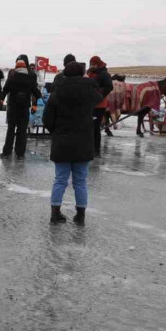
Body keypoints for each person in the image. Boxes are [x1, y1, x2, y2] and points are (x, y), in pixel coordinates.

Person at [43, 61, 103, 226]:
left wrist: (56, 131)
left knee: (60, 180)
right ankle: (80, 215)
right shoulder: (89, 91)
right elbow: (100, 97)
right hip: (83, 141)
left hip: (62, 141)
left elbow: (46, 118)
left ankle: (55, 214)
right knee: (80, 181)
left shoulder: (57, 91)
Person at [0, 60, 41, 160]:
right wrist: (35, 104)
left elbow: (5, 90)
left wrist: (1, 100)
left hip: (13, 108)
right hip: (24, 108)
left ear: (16, 67)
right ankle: (20, 154)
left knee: (10, 129)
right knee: (22, 131)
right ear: (25, 67)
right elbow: (37, 94)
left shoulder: (12, 77)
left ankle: (6, 152)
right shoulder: (30, 78)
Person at [87, 55, 113, 155]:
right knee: (89, 126)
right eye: (90, 64)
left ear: (98, 64)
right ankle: (90, 147)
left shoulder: (104, 74)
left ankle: (96, 150)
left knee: (95, 127)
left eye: (93, 65)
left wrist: (98, 95)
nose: (92, 66)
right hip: (90, 104)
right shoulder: (89, 72)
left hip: (99, 105)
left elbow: (109, 87)